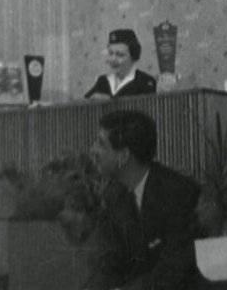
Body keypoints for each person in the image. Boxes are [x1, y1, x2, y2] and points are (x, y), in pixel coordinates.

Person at [84, 110, 201, 290]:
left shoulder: (178, 193)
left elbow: (173, 270)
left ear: (123, 156)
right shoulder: (114, 196)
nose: (92, 150)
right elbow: (109, 263)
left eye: (100, 143)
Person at [84, 29, 156, 99]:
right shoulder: (103, 81)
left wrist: (109, 102)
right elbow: (82, 104)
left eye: (120, 55)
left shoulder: (145, 82)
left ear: (133, 56)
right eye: (110, 53)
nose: (113, 59)